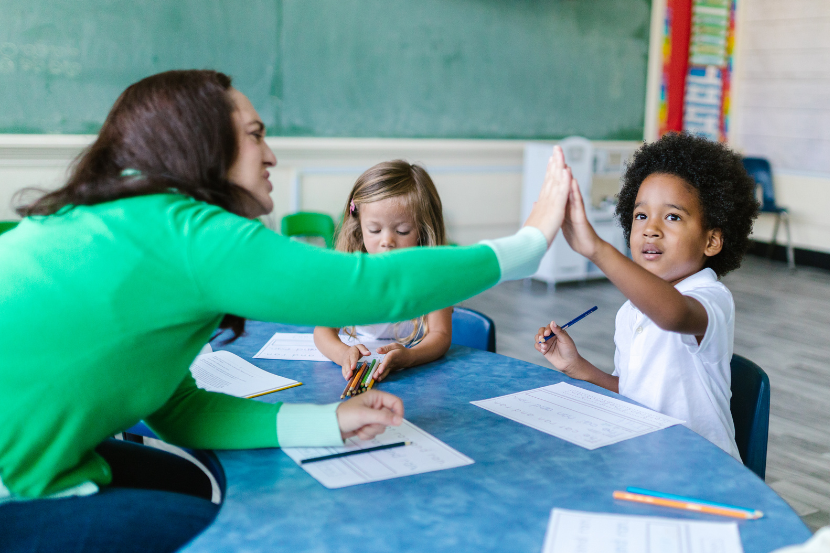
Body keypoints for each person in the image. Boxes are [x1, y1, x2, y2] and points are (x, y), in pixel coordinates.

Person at [0, 70, 572, 552]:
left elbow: (179, 410)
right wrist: (527, 244)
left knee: (193, 486)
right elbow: (368, 287)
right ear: (203, 145)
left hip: (33, 461)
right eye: (255, 136)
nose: (271, 155)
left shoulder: (129, 220)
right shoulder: (186, 232)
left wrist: (330, 422)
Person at [534, 132, 759, 459]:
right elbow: (631, 393)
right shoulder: (631, 311)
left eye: (672, 216)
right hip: (646, 459)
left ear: (711, 241)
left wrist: (597, 249)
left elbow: (674, 315)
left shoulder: (712, 298)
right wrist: (577, 367)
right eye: (641, 215)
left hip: (702, 470)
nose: (650, 229)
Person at [314, 161, 452, 384]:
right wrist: (343, 354)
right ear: (359, 227)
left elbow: (441, 335)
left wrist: (410, 357)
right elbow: (323, 332)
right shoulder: (351, 274)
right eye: (375, 230)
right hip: (360, 371)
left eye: (402, 230)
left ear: (422, 230)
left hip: (415, 377)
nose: (387, 241)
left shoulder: (433, 277)